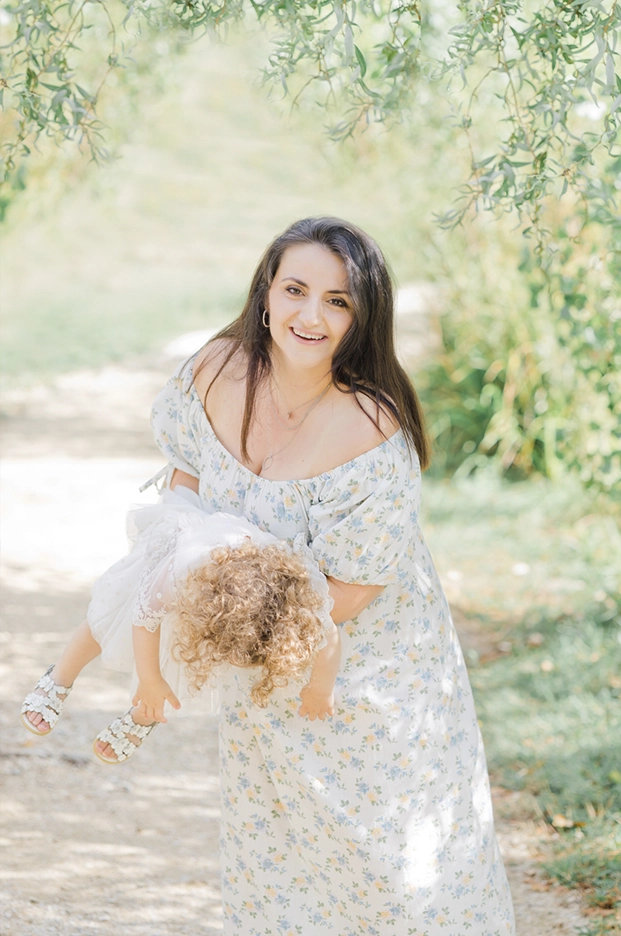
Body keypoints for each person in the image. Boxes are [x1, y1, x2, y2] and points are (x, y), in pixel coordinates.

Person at [149, 216, 516, 934]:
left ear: (362, 319)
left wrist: (232, 628)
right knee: (280, 872)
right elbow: (183, 479)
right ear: (264, 294)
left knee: (398, 881)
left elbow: (351, 592)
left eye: (338, 301)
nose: (309, 315)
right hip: (262, 679)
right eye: (294, 289)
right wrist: (190, 580)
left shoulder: (371, 431)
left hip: (371, 679)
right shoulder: (214, 371)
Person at [21, 487, 339, 762]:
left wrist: (321, 689)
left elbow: (329, 636)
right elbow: (143, 618)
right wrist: (149, 677)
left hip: (233, 593)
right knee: (106, 620)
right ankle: (60, 677)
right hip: (173, 563)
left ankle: (146, 711)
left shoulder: (295, 595)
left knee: (183, 661)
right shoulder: (184, 570)